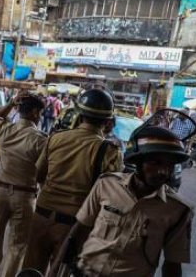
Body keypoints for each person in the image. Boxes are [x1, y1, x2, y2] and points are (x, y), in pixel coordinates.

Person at [48, 125, 194, 277]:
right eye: (155, 163)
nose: (163, 171)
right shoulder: (106, 184)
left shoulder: (179, 210)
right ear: (138, 162)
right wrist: (55, 270)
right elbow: (79, 231)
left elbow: (172, 264)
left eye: (169, 165)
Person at [22, 88, 123, 274]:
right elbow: (110, 196)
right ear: (108, 122)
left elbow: (38, 176)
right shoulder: (110, 151)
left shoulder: (55, 138)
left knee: (30, 272)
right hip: (73, 228)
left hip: (40, 218)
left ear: (80, 114)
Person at [0, 93, 47, 277]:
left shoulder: (5, 130)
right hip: (25, 196)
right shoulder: (40, 139)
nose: (40, 116)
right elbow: (43, 173)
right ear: (34, 112)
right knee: (17, 244)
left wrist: (11, 102)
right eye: (40, 112)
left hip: (0, 191)